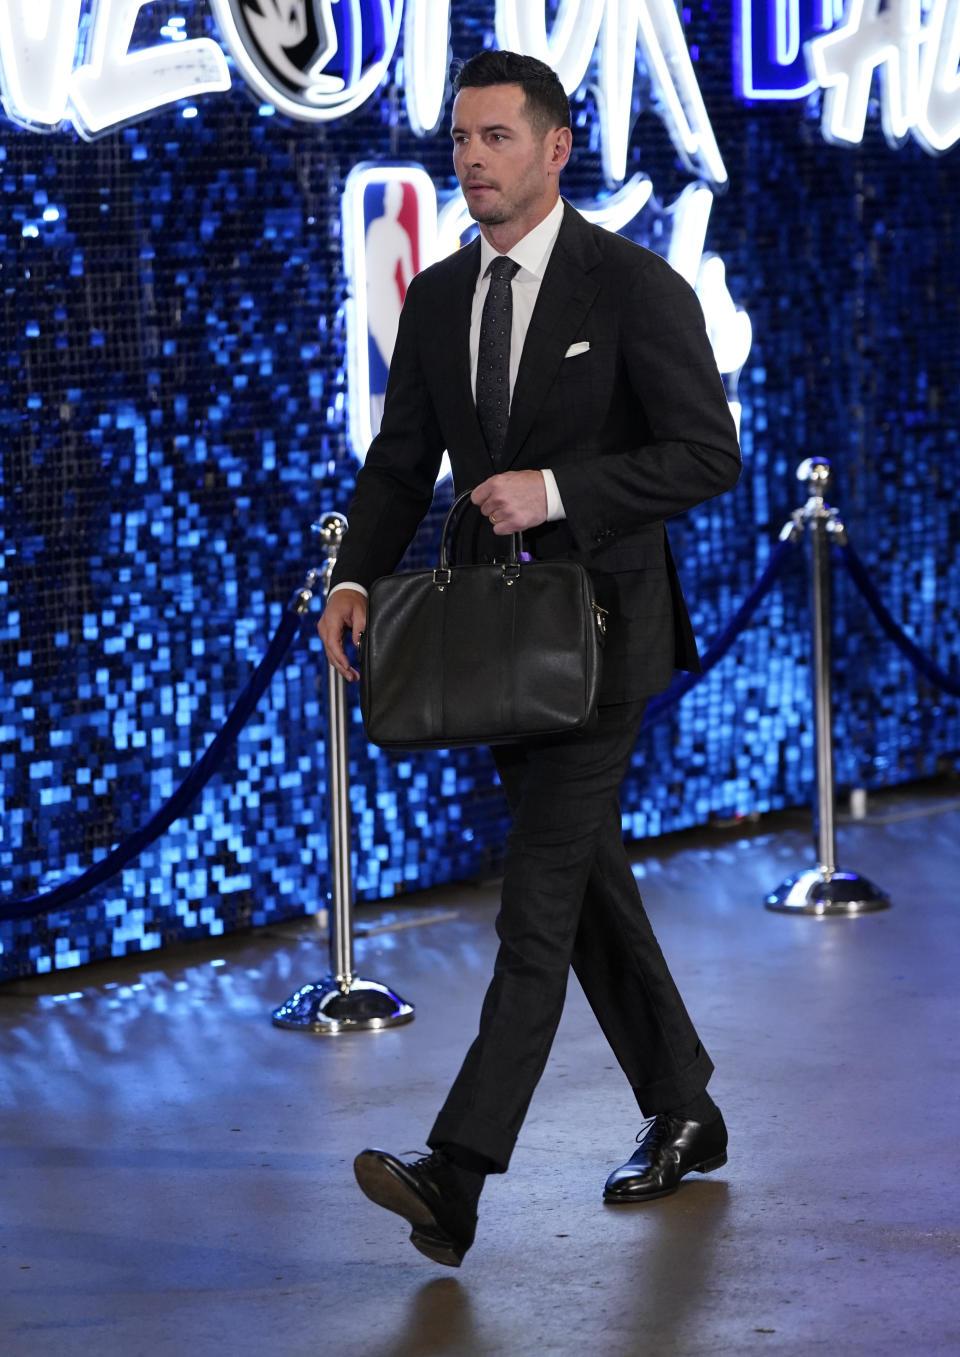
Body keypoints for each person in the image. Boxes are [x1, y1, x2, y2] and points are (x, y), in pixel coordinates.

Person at [317, 49, 741, 1268]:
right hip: (499, 652)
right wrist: (356, 576)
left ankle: (456, 1173)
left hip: (605, 647)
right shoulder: (442, 296)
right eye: (460, 139)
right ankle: (686, 1106)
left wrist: (557, 488)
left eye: (497, 138)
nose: (472, 161)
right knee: (588, 880)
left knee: (538, 908)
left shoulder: (635, 287)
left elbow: (708, 456)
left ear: (557, 149)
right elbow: (402, 462)